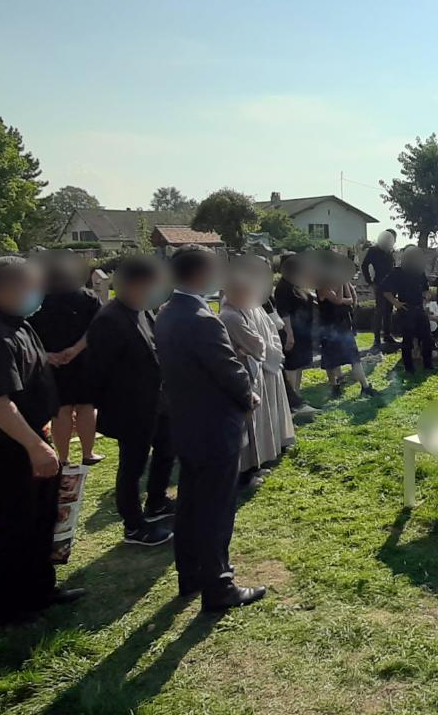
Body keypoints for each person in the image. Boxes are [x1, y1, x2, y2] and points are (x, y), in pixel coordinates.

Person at [0, 257, 85, 625]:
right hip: (6, 449)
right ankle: (7, 606)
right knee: (15, 527)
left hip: (29, 439)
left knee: (39, 521)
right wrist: (35, 446)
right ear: (7, 289)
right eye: (33, 288)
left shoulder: (17, 324)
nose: (39, 294)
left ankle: (40, 590)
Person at [155, 246, 266, 611]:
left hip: (186, 423)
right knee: (216, 506)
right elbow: (227, 368)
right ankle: (219, 585)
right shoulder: (203, 319)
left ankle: (190, 574)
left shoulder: (167, 311)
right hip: (214, 425)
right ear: (201, 274)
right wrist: (248, 396)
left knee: (190, 501)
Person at [85, 254, 175, 547]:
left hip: (156, 401)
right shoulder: (109, 320)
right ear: (135, 284)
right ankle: (134, 526)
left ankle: (157, 501)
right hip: (130, 408)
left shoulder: (143, 311)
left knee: (167, 449)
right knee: (132, 467)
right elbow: (98, 371)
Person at [221, 256, 296, 476]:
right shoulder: (230, 314)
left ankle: (273, 449)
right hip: (253, 370)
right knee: (255, 423)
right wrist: (263, 350)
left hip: (268, 363)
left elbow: (271, 331)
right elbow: (255, 344)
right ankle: (251, 468)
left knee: (271, 413)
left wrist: (273, 350)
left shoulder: (254, 306)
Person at [28, 252, 103, 465]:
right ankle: (88, 454)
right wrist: (76, 349)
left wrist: (46, 355)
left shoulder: (37, 299)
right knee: (86, 407)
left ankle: (63, 458)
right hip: (83, 359)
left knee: (61, 410)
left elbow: (26, 331)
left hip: (51, 362)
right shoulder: (87, 297)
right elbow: (97, 327)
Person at [316, 253, 378, 398]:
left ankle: (365, 386)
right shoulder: (322, 285)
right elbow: (338, 300)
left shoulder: (343, 282)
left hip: (343, 325)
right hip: (328, 326)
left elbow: (352, 298)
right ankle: (334, 386)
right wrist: (341, 287)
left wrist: (344, 287)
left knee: (354, 357)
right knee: (331, 360)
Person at [272, 254, 320, 418]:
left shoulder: (297, 284)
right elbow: (284, 312)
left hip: (303, 331)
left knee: (300, 364)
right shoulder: (283, 287)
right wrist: (290, 335)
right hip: (292, 331)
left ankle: (297, 397)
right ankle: (290, 403)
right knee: (292, 366)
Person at [380, 246, 436, 374]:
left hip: (419, 307)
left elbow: (425, 289)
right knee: (408, 339)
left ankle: (428, 365)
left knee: (427, 337)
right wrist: (396, 303)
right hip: (406, 309)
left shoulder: (419, 272)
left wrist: (426, 296)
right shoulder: (397, 272)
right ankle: (408, 367)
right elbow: (385, 290)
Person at [361, 230, 398, 352]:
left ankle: (387, 335)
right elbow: (364, 265)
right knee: (380, 311)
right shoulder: (374, 251)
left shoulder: (390, 252)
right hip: (380, 285)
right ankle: (376, 339)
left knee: (388, 311)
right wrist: (370, 282)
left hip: (391, 286)